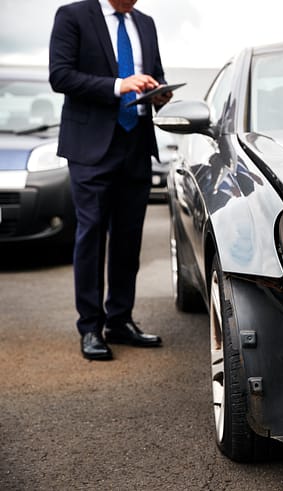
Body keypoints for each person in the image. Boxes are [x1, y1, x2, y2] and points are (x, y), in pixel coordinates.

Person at [49, 0, 171, 360]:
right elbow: (61, 76)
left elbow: (156, 73)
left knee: (129, 238)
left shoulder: (145, 23)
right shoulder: (72, 16)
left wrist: (160, 92)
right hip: (90, 147)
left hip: (137, 143)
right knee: (91, 235)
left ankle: (120, 320)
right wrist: (119, 85)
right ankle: (90, 328)